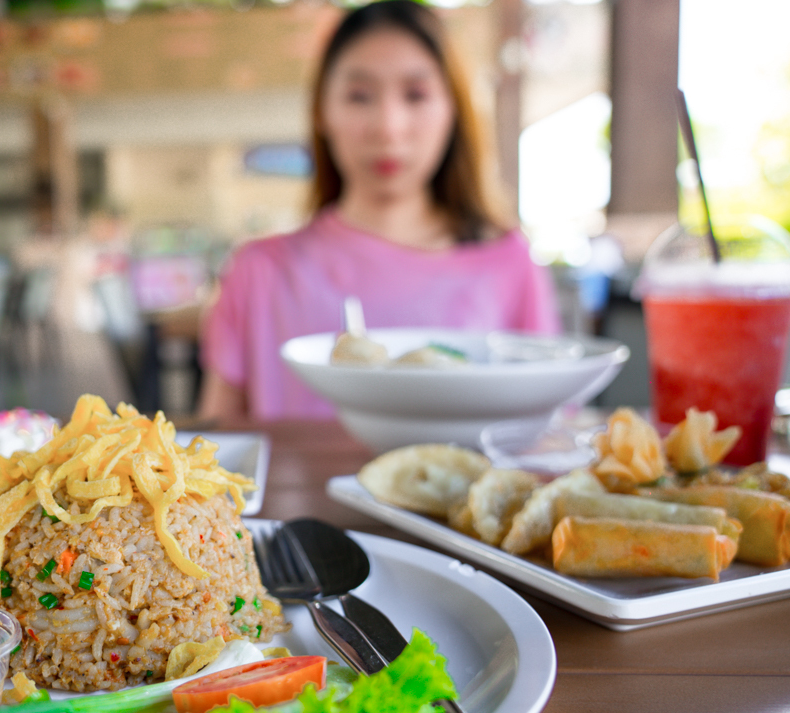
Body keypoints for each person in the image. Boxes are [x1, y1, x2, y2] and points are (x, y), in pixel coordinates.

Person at [197, 0, 559, 422]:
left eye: (416, 94)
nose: (388, 126)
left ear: (454, 111)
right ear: (322, 113)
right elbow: (215, 445)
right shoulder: (258, 271)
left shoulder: (507, 260)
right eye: (359, 96)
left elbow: (547, 429)